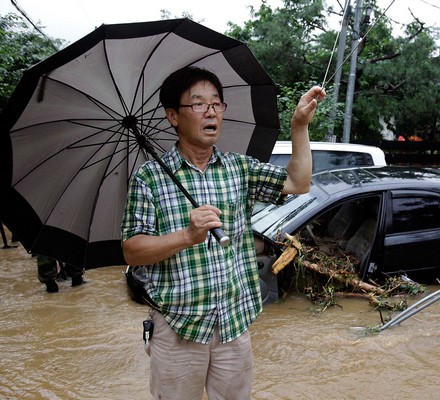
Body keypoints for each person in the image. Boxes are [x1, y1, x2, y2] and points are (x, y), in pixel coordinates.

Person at [121, 66, 325, 399]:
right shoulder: (150, 179)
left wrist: (299, 126)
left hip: (233, 323)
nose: (211, 111)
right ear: (173, 116)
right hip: (177, 328)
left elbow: (298, 183)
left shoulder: (238, 168)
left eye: (217, 103)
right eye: (198, 103)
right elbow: (132, 250)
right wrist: (187, 236)